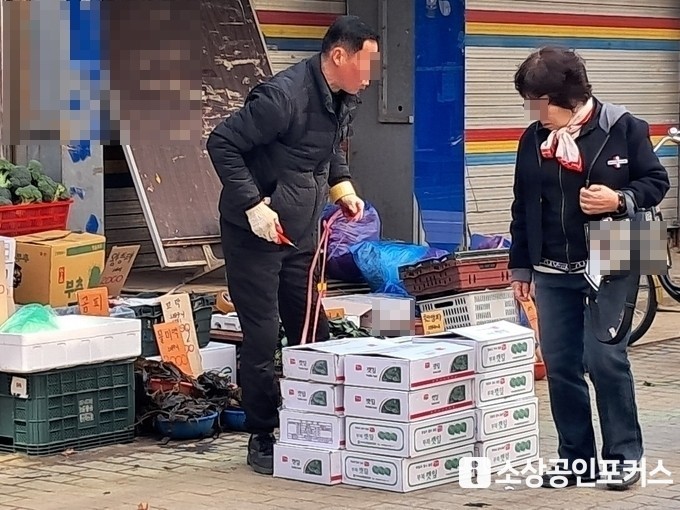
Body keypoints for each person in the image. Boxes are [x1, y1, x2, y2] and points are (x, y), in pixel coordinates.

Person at [206, 16, 380, 475]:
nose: (369, 76)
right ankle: (263, 433)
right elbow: (221, 143)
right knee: (263, 336)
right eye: (365, 64)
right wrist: (252, 205)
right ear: (338, 55)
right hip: (256, 234)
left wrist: (342, 187)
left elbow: (325, 149)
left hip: (301, 231)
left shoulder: (341, 97)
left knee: (310, 328)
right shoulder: (281, 97)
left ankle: (311, 418)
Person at [508, 46, 670, 489]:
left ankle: (624, 458)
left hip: (619, 250)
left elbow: (657, 182)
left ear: (570, 97)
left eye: (539, 102)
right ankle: (576, 461)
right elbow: (522, 205)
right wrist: (520, 267)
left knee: (604, 358)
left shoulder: (624, 127)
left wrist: (619, 199)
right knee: (560, 364)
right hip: (551, 263)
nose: (533, 112)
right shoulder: (532, 140)